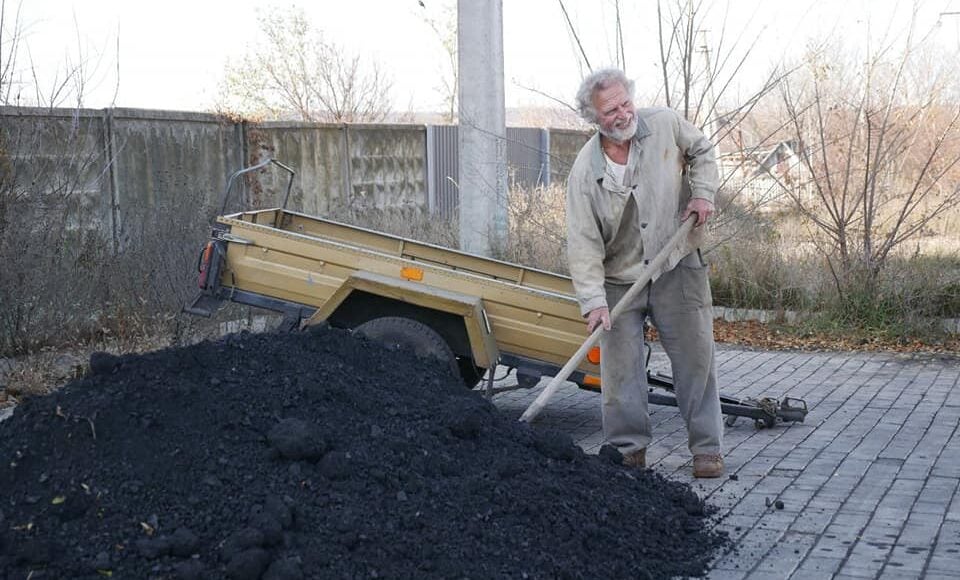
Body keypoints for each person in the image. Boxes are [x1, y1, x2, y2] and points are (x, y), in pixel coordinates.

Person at [565, 68, 724, 478]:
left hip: (675, 263)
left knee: (696, 359)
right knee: (620, 371)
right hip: (620, 279)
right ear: (593, 118)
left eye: (624, 103)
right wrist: (594, 302)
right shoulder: (585, 172)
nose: (622, 114)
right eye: (610, 110)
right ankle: (627, 449)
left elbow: (704, 151)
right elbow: (583, 242)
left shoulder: (665, 125)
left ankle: (707, 449)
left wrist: (703, 193)